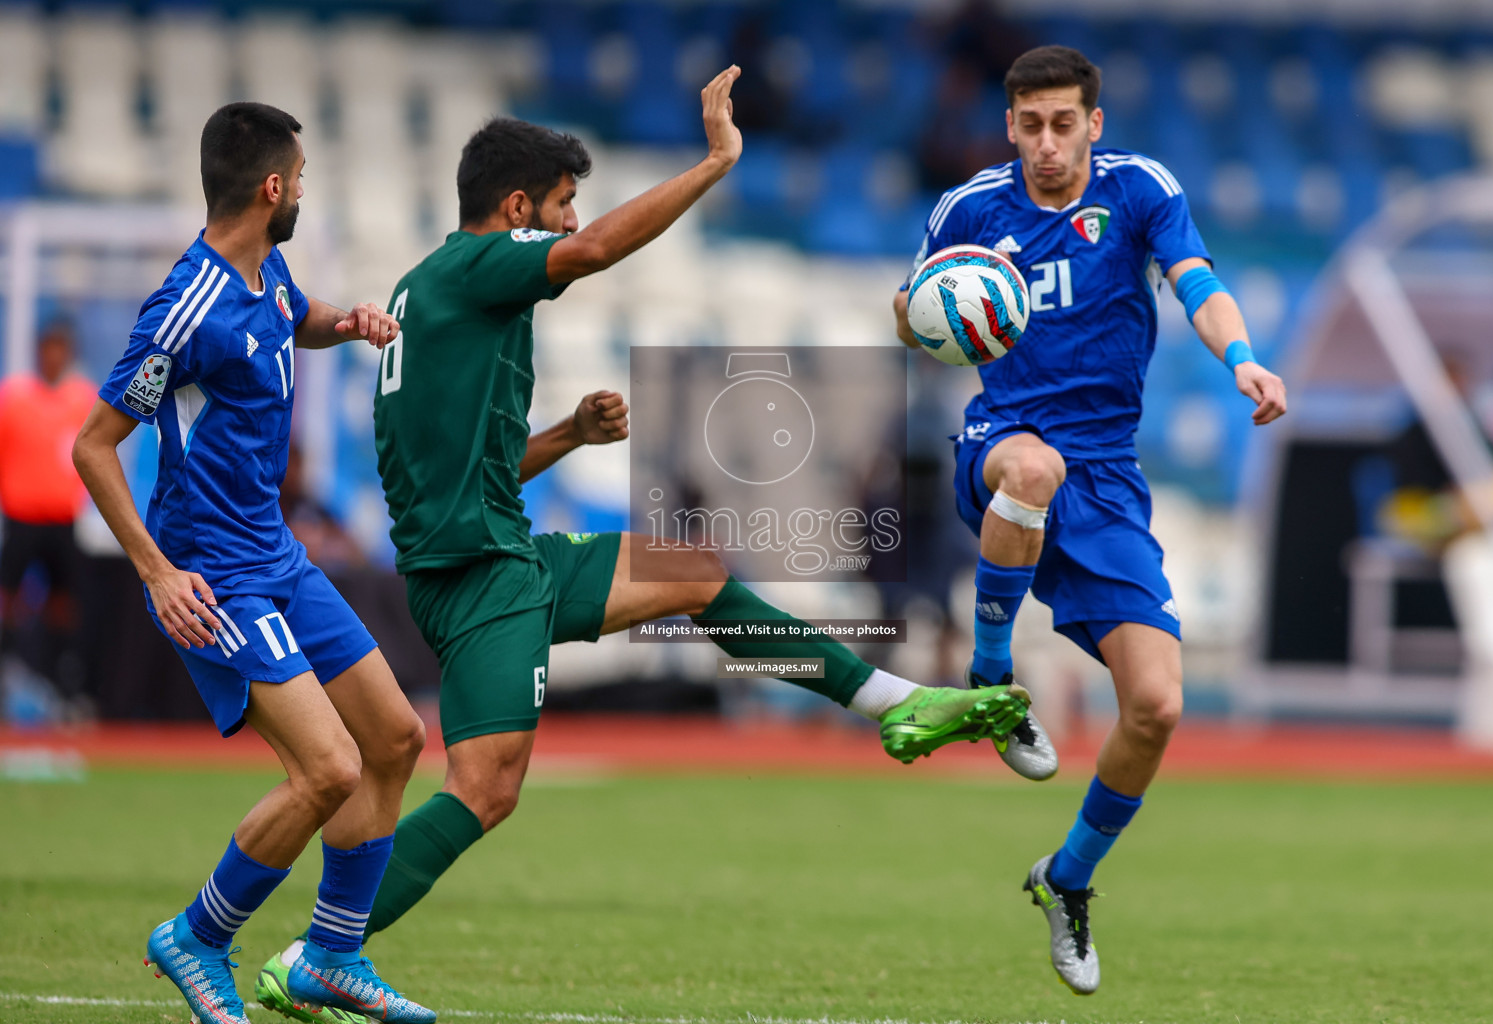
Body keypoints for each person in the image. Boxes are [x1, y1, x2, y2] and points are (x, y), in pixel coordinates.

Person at [255, 67, 1031, 1024]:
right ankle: (323, 954)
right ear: (514, 208)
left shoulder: (434, 295)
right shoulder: (475, 268)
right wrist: (713, 163)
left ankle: (895, 706)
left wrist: (570, 436)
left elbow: (463, 472)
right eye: (557, 206)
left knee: (691, 571)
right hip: (479, 580)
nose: (566, 223)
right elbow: (593, 252)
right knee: (485, 790)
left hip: (502, 556)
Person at [892, 46, 1287, 994]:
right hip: (1006, 435)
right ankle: (991, 680)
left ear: (1094, 124)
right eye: (1029, 124)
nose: (1046, 143)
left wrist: (1242, 360)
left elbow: (1195, 279)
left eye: (1063, 123)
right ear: (1010, 126)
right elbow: (911, 312)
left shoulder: (1142, 190)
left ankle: (1065, 880)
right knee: (1032, 465)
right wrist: (932, 310)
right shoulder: (970, 208)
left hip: (1110, 474)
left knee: (1156, 707)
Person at [72, 102, 435, 1024]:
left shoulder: (267, 270)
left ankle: (329, 959)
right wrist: (158, 572)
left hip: (277, 554)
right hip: (212, 575)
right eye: (303, 177)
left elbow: (289, 315)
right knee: (327, 769)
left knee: (394, 738)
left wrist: (344, 322)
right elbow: (93, 446)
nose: (305, 189)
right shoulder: (183, 306)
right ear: (272, 187)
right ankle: (198, 936)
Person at [0, 320, 96, 708]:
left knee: (65, 604)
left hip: (62, 519)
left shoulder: (83, 399)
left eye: (61, 348)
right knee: (9, 597)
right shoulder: (15, 399)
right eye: (48, 348)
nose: (53, 356)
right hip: (22, 517)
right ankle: (9, 670)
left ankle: (65, 682)